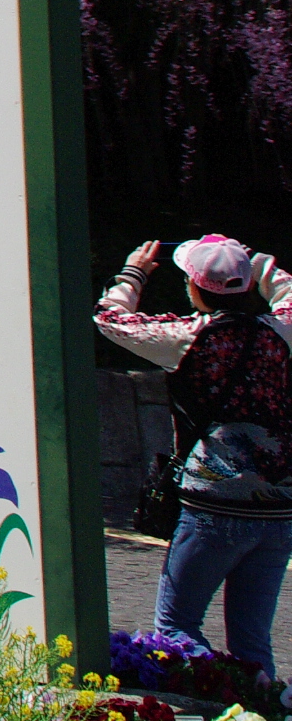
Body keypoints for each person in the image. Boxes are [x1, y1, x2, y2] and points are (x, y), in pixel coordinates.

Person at [99, 234, 292, 675]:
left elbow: (110, 319)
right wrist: (256, 263)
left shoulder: (186, 337)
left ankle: (227, 688)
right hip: (280, 508)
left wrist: (135, 271)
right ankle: (260, 702)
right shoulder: (280, 331)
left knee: (174, 627)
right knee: (252, 639)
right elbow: (287, 293)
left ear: (194, 287)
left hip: (213, 503)